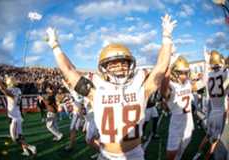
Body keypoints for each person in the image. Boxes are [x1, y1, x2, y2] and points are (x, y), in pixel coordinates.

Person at [46, 14, 176, 160]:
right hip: (107, 155)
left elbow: (161, 66)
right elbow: (69, 71)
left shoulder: (141, 88)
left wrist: (167, 37)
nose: (119, 67)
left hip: (134, 155)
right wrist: (55, 46)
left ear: (131, 65)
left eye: (123, 62)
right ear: (104, 68)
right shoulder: (96, 91)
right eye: (113, 64)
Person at [193, 50, 229, 160]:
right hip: (220, 112)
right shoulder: (224, 73)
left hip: (212, 111)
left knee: (208, 135)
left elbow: (195, 87)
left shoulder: (208, 75)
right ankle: (207, 157)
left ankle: (197, 153)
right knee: (216, 141)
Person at [0, 71, 36, 156]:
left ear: (9, 83)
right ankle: (26, 151)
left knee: (14, 138)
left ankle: (30, 147)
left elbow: (2, 88)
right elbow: (4, 87)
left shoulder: (11, 91)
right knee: (20, 136)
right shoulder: (18, 90)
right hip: (18, 115)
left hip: (14, 117)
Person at [161, 56, 195, 160]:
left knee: (183, 147)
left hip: (189, 120)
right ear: (174, 72)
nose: (184, 75)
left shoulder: (188, 83)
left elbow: (200, 84)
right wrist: (167, 70)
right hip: (176, 122)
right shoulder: (171, 85)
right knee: (171, 154)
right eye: (181, 72)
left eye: (186, 72)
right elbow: (164, 92)